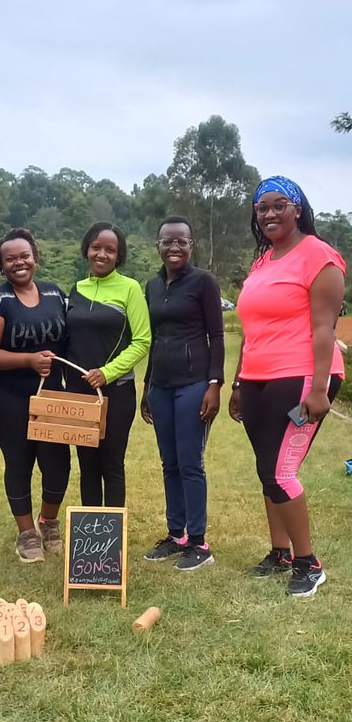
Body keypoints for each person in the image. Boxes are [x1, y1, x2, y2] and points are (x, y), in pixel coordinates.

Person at [229, 175, 345, 597]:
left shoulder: (319, 256)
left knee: (281, 471)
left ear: (298, 209)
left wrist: (317, 389)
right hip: (259, 377)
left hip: (302, 376)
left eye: (280, 205)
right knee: (266, 468)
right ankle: (279, 553)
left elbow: (324, 328)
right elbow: (250, 329)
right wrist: (240, 381)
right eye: (262, 208)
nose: (270, 214)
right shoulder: (264, 261)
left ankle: (308, 563)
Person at [0, 227, 70, 563]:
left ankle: (49, 521)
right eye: (10, 259)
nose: (19, 263)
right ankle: (27, 533)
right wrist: (28, 360)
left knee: (58, 463)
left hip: (50, 396)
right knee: (20, 462)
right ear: (1, 266)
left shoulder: (55, 294)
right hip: (7, 395)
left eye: (24, 256)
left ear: (36, 258)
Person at [141, 216, 224, 570]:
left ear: (191, 245)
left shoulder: (204, 283)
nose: (174, 247)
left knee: (190, 463)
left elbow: (217, 336)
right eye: (167, 241)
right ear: (157, 245)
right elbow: (153, 339)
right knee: (169, 463)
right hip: (161, 385)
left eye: (181, 241)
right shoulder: (152, 286)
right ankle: (176, 535)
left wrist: (214, 384)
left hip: (193, 386)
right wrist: (146, 387)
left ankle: (199, 543)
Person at [65, 222, 151, 506]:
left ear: (119, 255)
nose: (102, 254)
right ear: (86, 249)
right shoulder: (76, 290)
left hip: (117, 392)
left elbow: (142, 341)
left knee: (112, 465)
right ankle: (90, 542)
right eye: (96, 247)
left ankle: (111, 546)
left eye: (110, 250)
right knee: (87, 465)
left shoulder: (130, 288)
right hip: (80, 393)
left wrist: (107, 373)